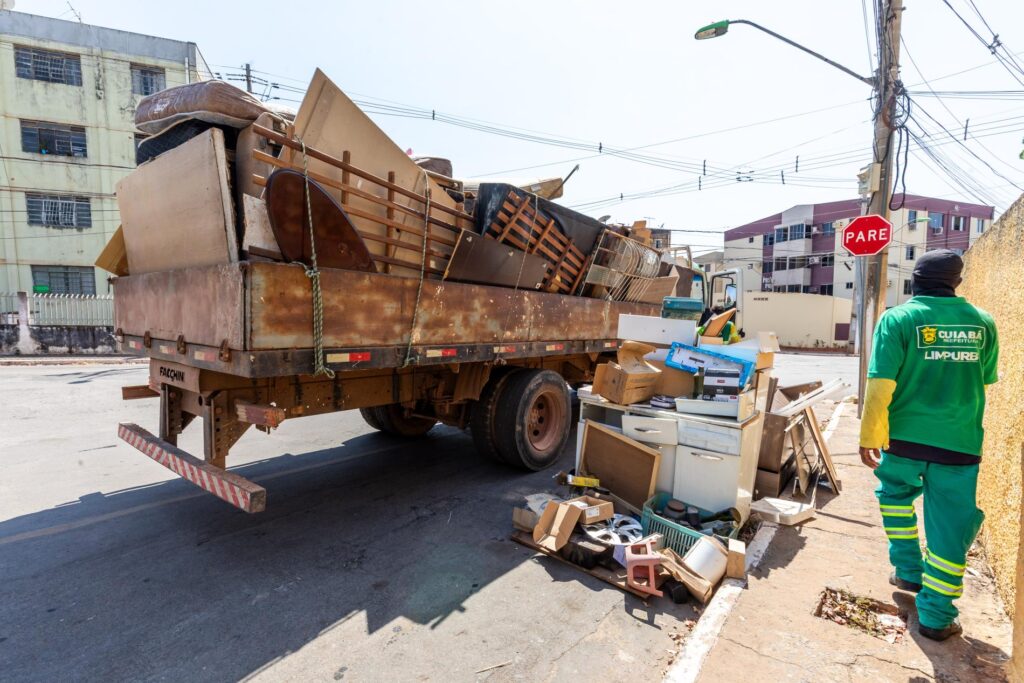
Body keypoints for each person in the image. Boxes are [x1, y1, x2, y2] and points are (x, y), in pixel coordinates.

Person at [859, 248, 998, 641]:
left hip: (902, 439)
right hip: (959, 443)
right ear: (957, 282)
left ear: (914, 281)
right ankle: (936, 617)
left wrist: (869, 436)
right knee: (950, 528)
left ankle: (908, 571)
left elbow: (880, 383)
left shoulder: (898, 319)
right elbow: (985, 377)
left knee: (895, 499)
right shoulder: (983, 322)